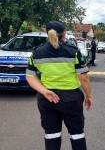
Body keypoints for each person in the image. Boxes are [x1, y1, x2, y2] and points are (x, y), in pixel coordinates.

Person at [26, 21, 92, 150]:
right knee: (77, 134)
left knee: (51, 135)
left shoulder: (37, 53)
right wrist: (89, 96)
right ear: (64, 34)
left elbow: (30, 76)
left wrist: (44, 91)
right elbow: (83, 77)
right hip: (71, 99)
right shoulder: (73, 52)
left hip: (47, 99)